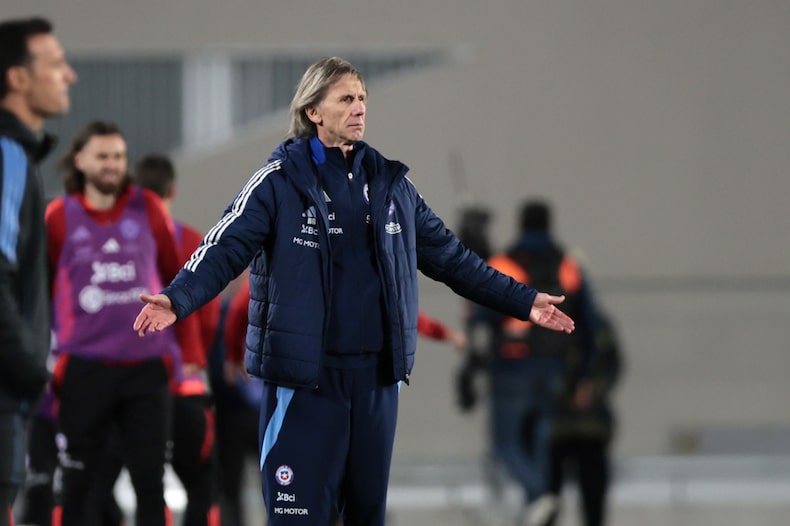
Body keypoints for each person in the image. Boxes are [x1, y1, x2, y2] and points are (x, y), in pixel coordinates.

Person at [133, 56, 575, 526]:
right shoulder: (278, 184)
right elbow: (222, 247)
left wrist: (523, 300)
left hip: (375, 385)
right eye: (346, 99)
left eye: (363, 98)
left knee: (365, 518)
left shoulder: (392, 187)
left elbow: (453, 260)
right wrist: (177, 297)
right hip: (305, 384)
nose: (360, 107)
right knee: (299, 518)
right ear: (313, 112)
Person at [46, 121, 183, 526]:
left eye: (119, 157)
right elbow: (40, 289)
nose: (112, 165)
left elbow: (180, 278)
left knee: (149, 482)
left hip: (146, 370)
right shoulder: (58, 216)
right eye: (103, 156)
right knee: (79, 483)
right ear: (79, 160)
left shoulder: (149, 208)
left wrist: (188, 356)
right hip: (84, 369)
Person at [467, 199, 598, 526]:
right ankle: (538, 511)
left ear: (521, 224)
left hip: (512, 368)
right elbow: (591, 324)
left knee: (506, 444)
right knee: (540, 444)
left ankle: (539, 496)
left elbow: (484, 311)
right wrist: (583, 373)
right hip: (554, 368)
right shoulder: (568, 266)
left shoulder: (504, 263)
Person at [0, 16, 76, 526]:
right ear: (18, 78)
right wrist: (34, 373)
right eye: (55, 64)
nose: (68, 75)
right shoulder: (7, 155)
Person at [133, 153, 222, 526]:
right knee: (202, 486)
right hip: (186, 384)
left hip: (133, 383)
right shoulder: (191, 242)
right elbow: (209, 317)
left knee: (145, 487)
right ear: (172, 190)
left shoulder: (122, 244)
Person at [547, 308, 623, 526]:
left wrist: (592, 390)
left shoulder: (595, 322)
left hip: (590, 425)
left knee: (593, 495)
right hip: (555, 424)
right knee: (546, 497)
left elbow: (612, 363)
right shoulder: (542, 317)